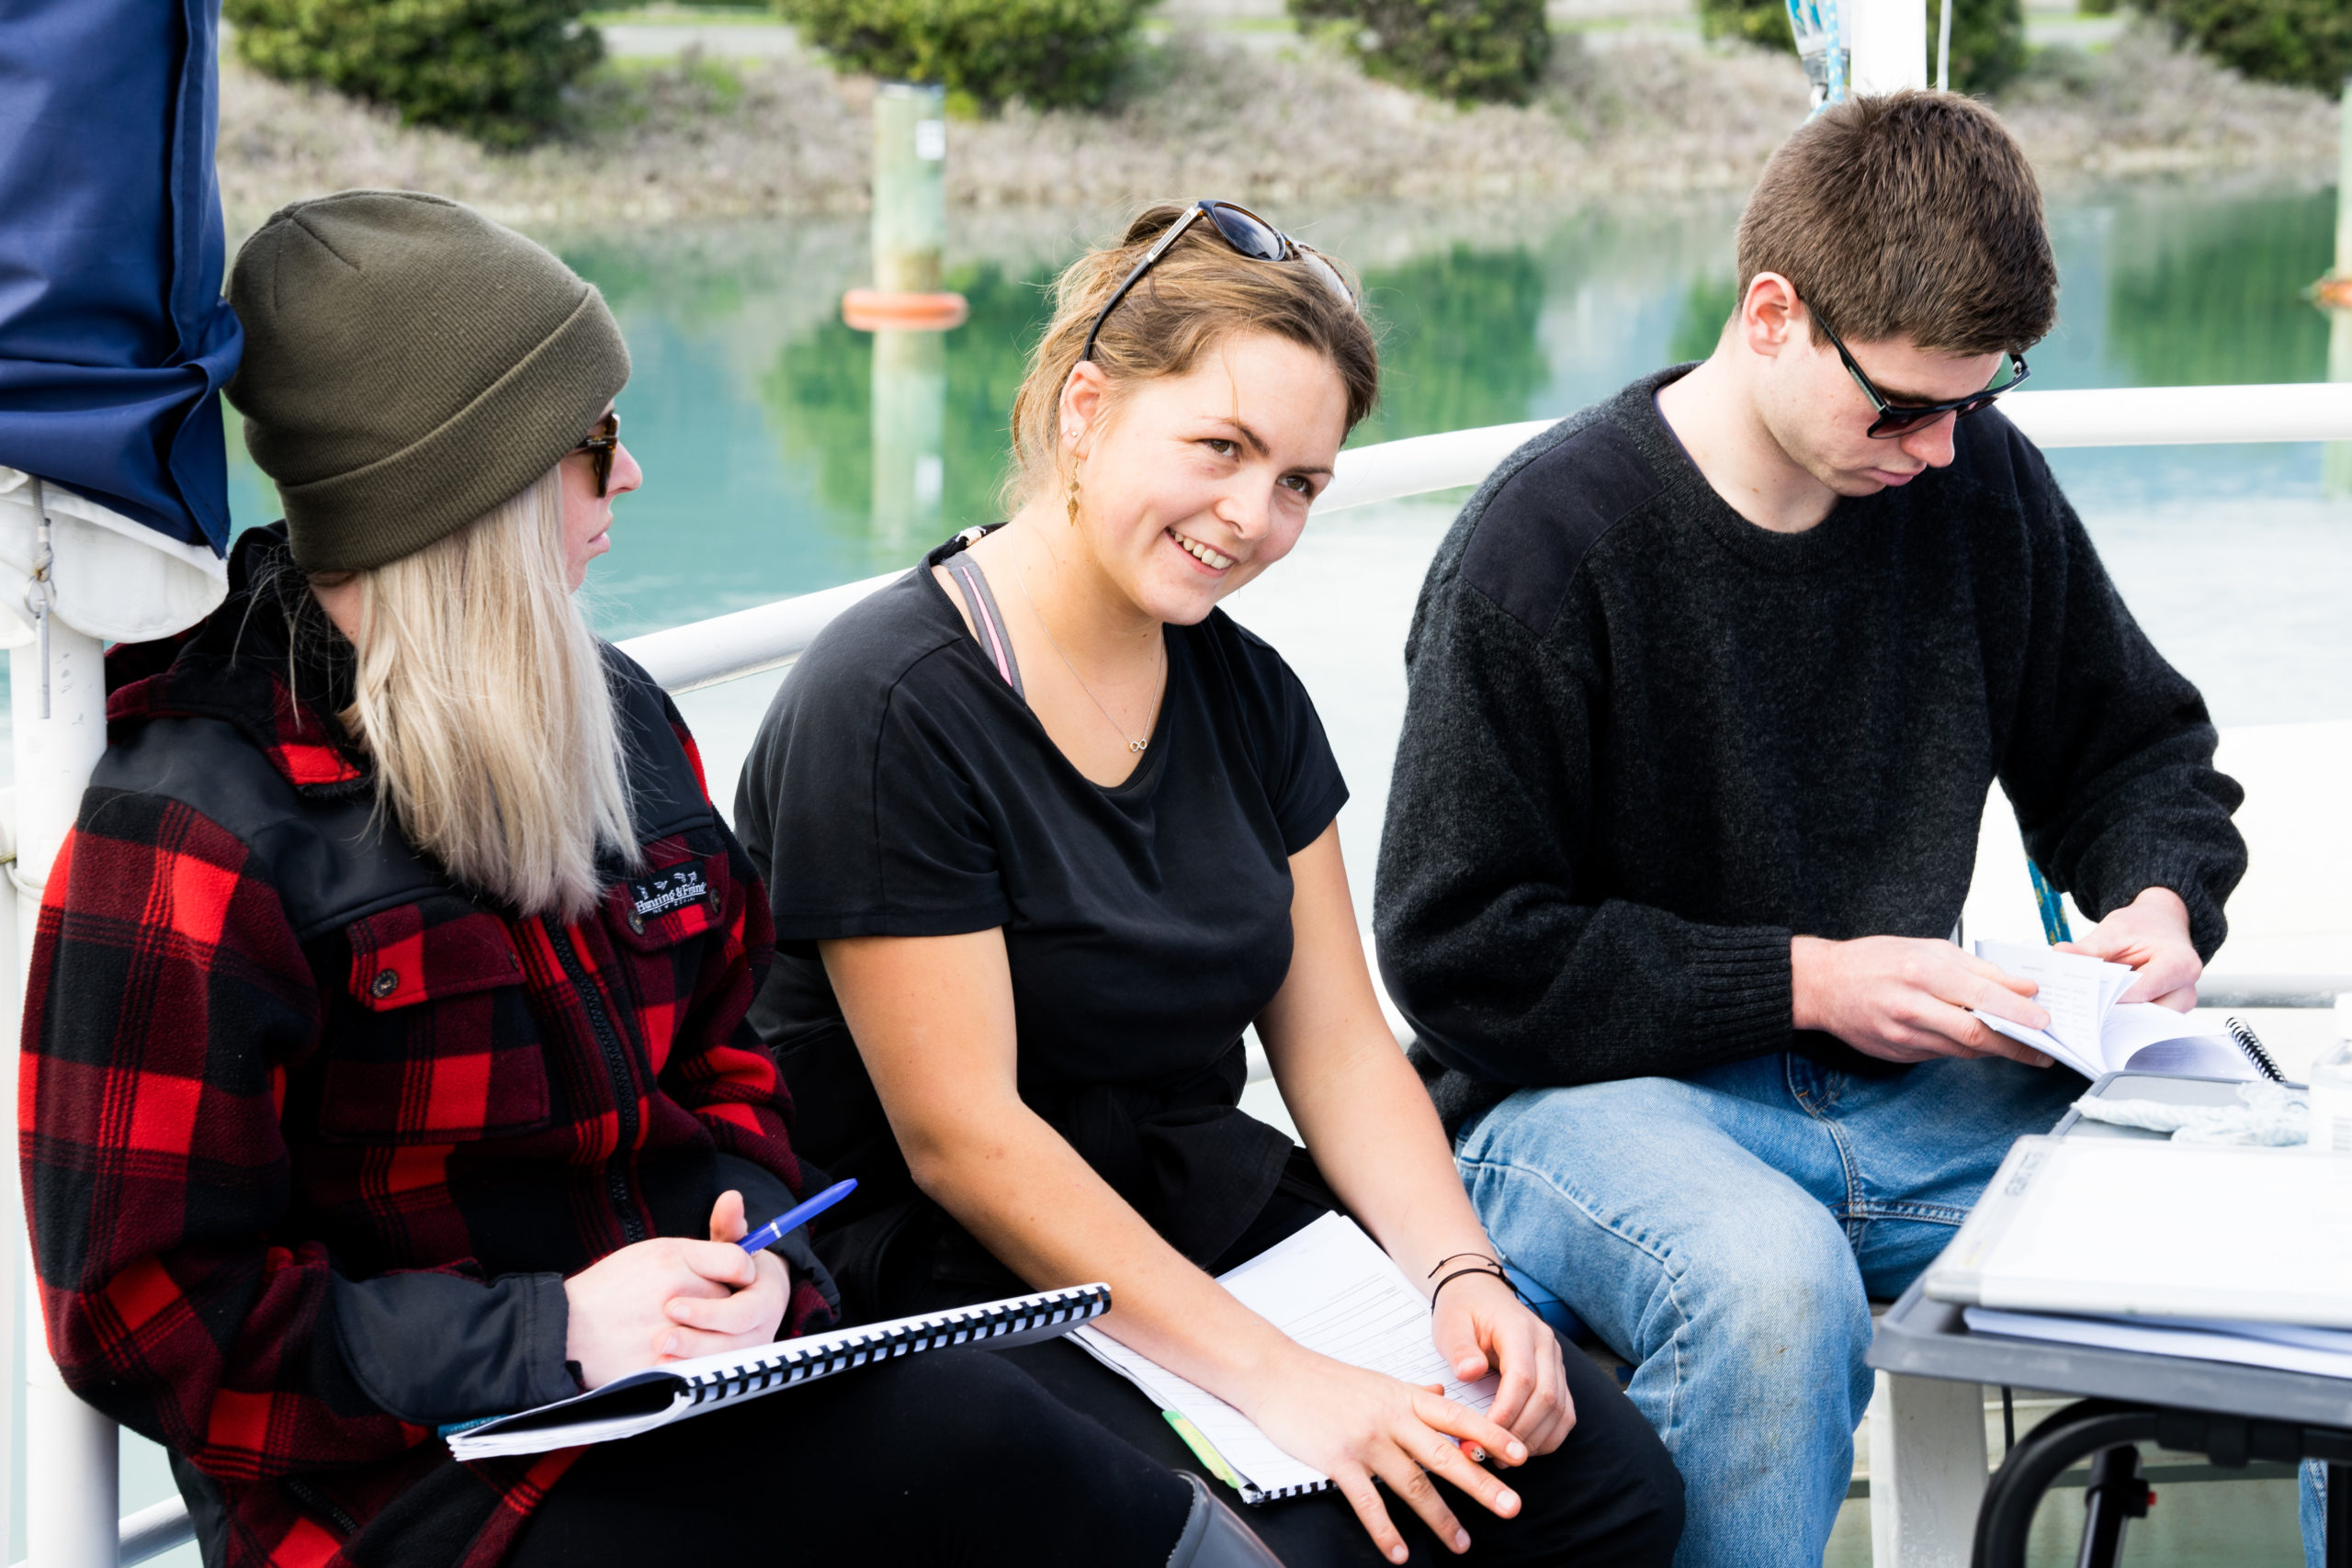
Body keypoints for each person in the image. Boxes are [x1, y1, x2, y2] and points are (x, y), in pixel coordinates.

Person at [21, 191, 1269, 1568]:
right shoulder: (196, 826)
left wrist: (752, 1249)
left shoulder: (617, 719)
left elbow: (730, 1057)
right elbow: (143, 1317)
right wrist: (554, 1331)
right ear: (470, 484)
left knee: (1032, 1453)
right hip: (411, 1484)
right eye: (593, 441)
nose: (629, 478)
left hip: (688, 1392)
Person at [1372, 91, 2252, 1568]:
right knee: (1771, 1287)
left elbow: (2138, 755)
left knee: (2294, 1206)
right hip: (1573, 1113)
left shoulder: (1975, 492)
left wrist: (2158, 907)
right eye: (1901, 409)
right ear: (1771, 314)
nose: (1941, 452)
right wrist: (1812, 978)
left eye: (1980, 402)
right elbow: (1462, 954)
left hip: (1909, 1100)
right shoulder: (1543, 547)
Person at [736, 200, 1684, 1568]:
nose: (1252, 519)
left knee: (1598, 1484)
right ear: (1087, 409)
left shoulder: (1243, 690)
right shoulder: (890, 706)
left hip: (1198, 1202)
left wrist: (1459, 1277)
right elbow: (965, 1140)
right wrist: (1291, 1386)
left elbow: (1342, 1045)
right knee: (1293, 1549)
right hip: (959, 1271)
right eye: (1222, 449)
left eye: (1299, 481)